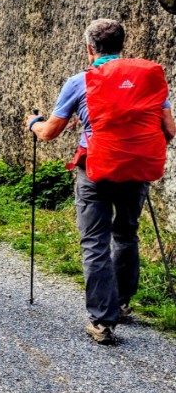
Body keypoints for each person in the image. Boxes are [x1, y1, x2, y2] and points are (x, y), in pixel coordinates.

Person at [26, 19, 176, 344]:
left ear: (89, 48)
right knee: (126, 234)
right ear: (123, 44)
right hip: (136, 170)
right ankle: (121, 304)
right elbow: (169, 129)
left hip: (94, 169)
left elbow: (50, 133)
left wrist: (33, 124)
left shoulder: (80, 82)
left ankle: (102, 323)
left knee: (95, 241)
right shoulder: (148, 80)